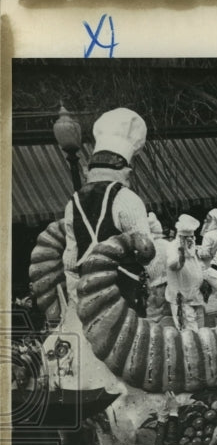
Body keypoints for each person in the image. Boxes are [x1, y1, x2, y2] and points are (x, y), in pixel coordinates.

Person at [61, 107, 151, 312]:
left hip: (87, 296)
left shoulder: (72, 203)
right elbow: (146, 252)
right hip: (123, 294)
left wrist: (75, 301)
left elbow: (70, 261)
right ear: (125, 169)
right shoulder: (127, 199)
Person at [166, 214, 208, 329]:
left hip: (196, 297)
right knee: (190, 334)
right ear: (180, 237)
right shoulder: (173, 247)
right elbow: (173, 264)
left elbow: (200, 265)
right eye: (186, 238)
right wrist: (181, 256)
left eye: (192, 237)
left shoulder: (192, 248)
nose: (190, 240)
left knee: (202, 330)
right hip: (182, 299)